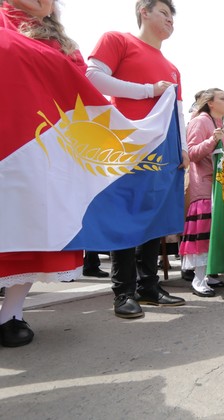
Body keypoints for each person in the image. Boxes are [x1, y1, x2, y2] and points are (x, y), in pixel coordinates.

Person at [87, 0, 188, 318]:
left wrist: (183, 146)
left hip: (162, 150)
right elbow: (92, 77)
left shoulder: (173, 68)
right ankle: (123, 292)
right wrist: (148, 90)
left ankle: (149, 287)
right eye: (164, 13)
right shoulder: (117, 40)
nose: (170, 20)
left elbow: (178, 111)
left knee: (154, 217)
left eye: (172, 17)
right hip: (125, 144)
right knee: (125, 217)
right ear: (144, 11)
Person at [0, 0, 85, 347]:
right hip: (5, 136)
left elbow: (83, 93)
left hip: (41, 150)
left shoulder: (64, 45)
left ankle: (11, 314)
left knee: (31, 228)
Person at [180, 89, 224, 297]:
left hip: (218, 185)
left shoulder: (219, 124)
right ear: (210, 103)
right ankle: (198, 279)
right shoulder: (200, 121)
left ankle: (208, 273)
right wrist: (212, 141)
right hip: (204, 186)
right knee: (203, 232)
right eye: (222, 99)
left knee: (214, 232)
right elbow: (191, 153)